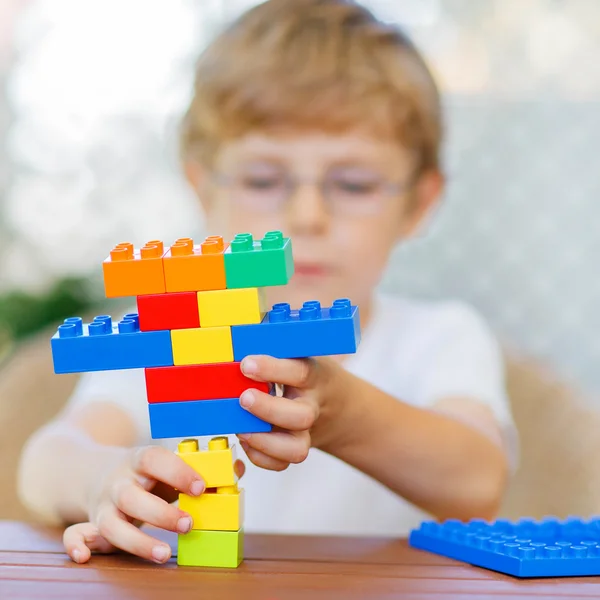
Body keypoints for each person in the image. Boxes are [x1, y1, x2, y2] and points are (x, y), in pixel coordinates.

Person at [18, 0, 517, 565]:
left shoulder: (440, 339)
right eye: (262, 179)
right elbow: (46, 460)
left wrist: (343, 413)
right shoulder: (176, 336)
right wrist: (102, 478)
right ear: (204, 190)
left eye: (353, 184)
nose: (308, 216)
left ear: (419, 204)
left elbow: (477, 479)